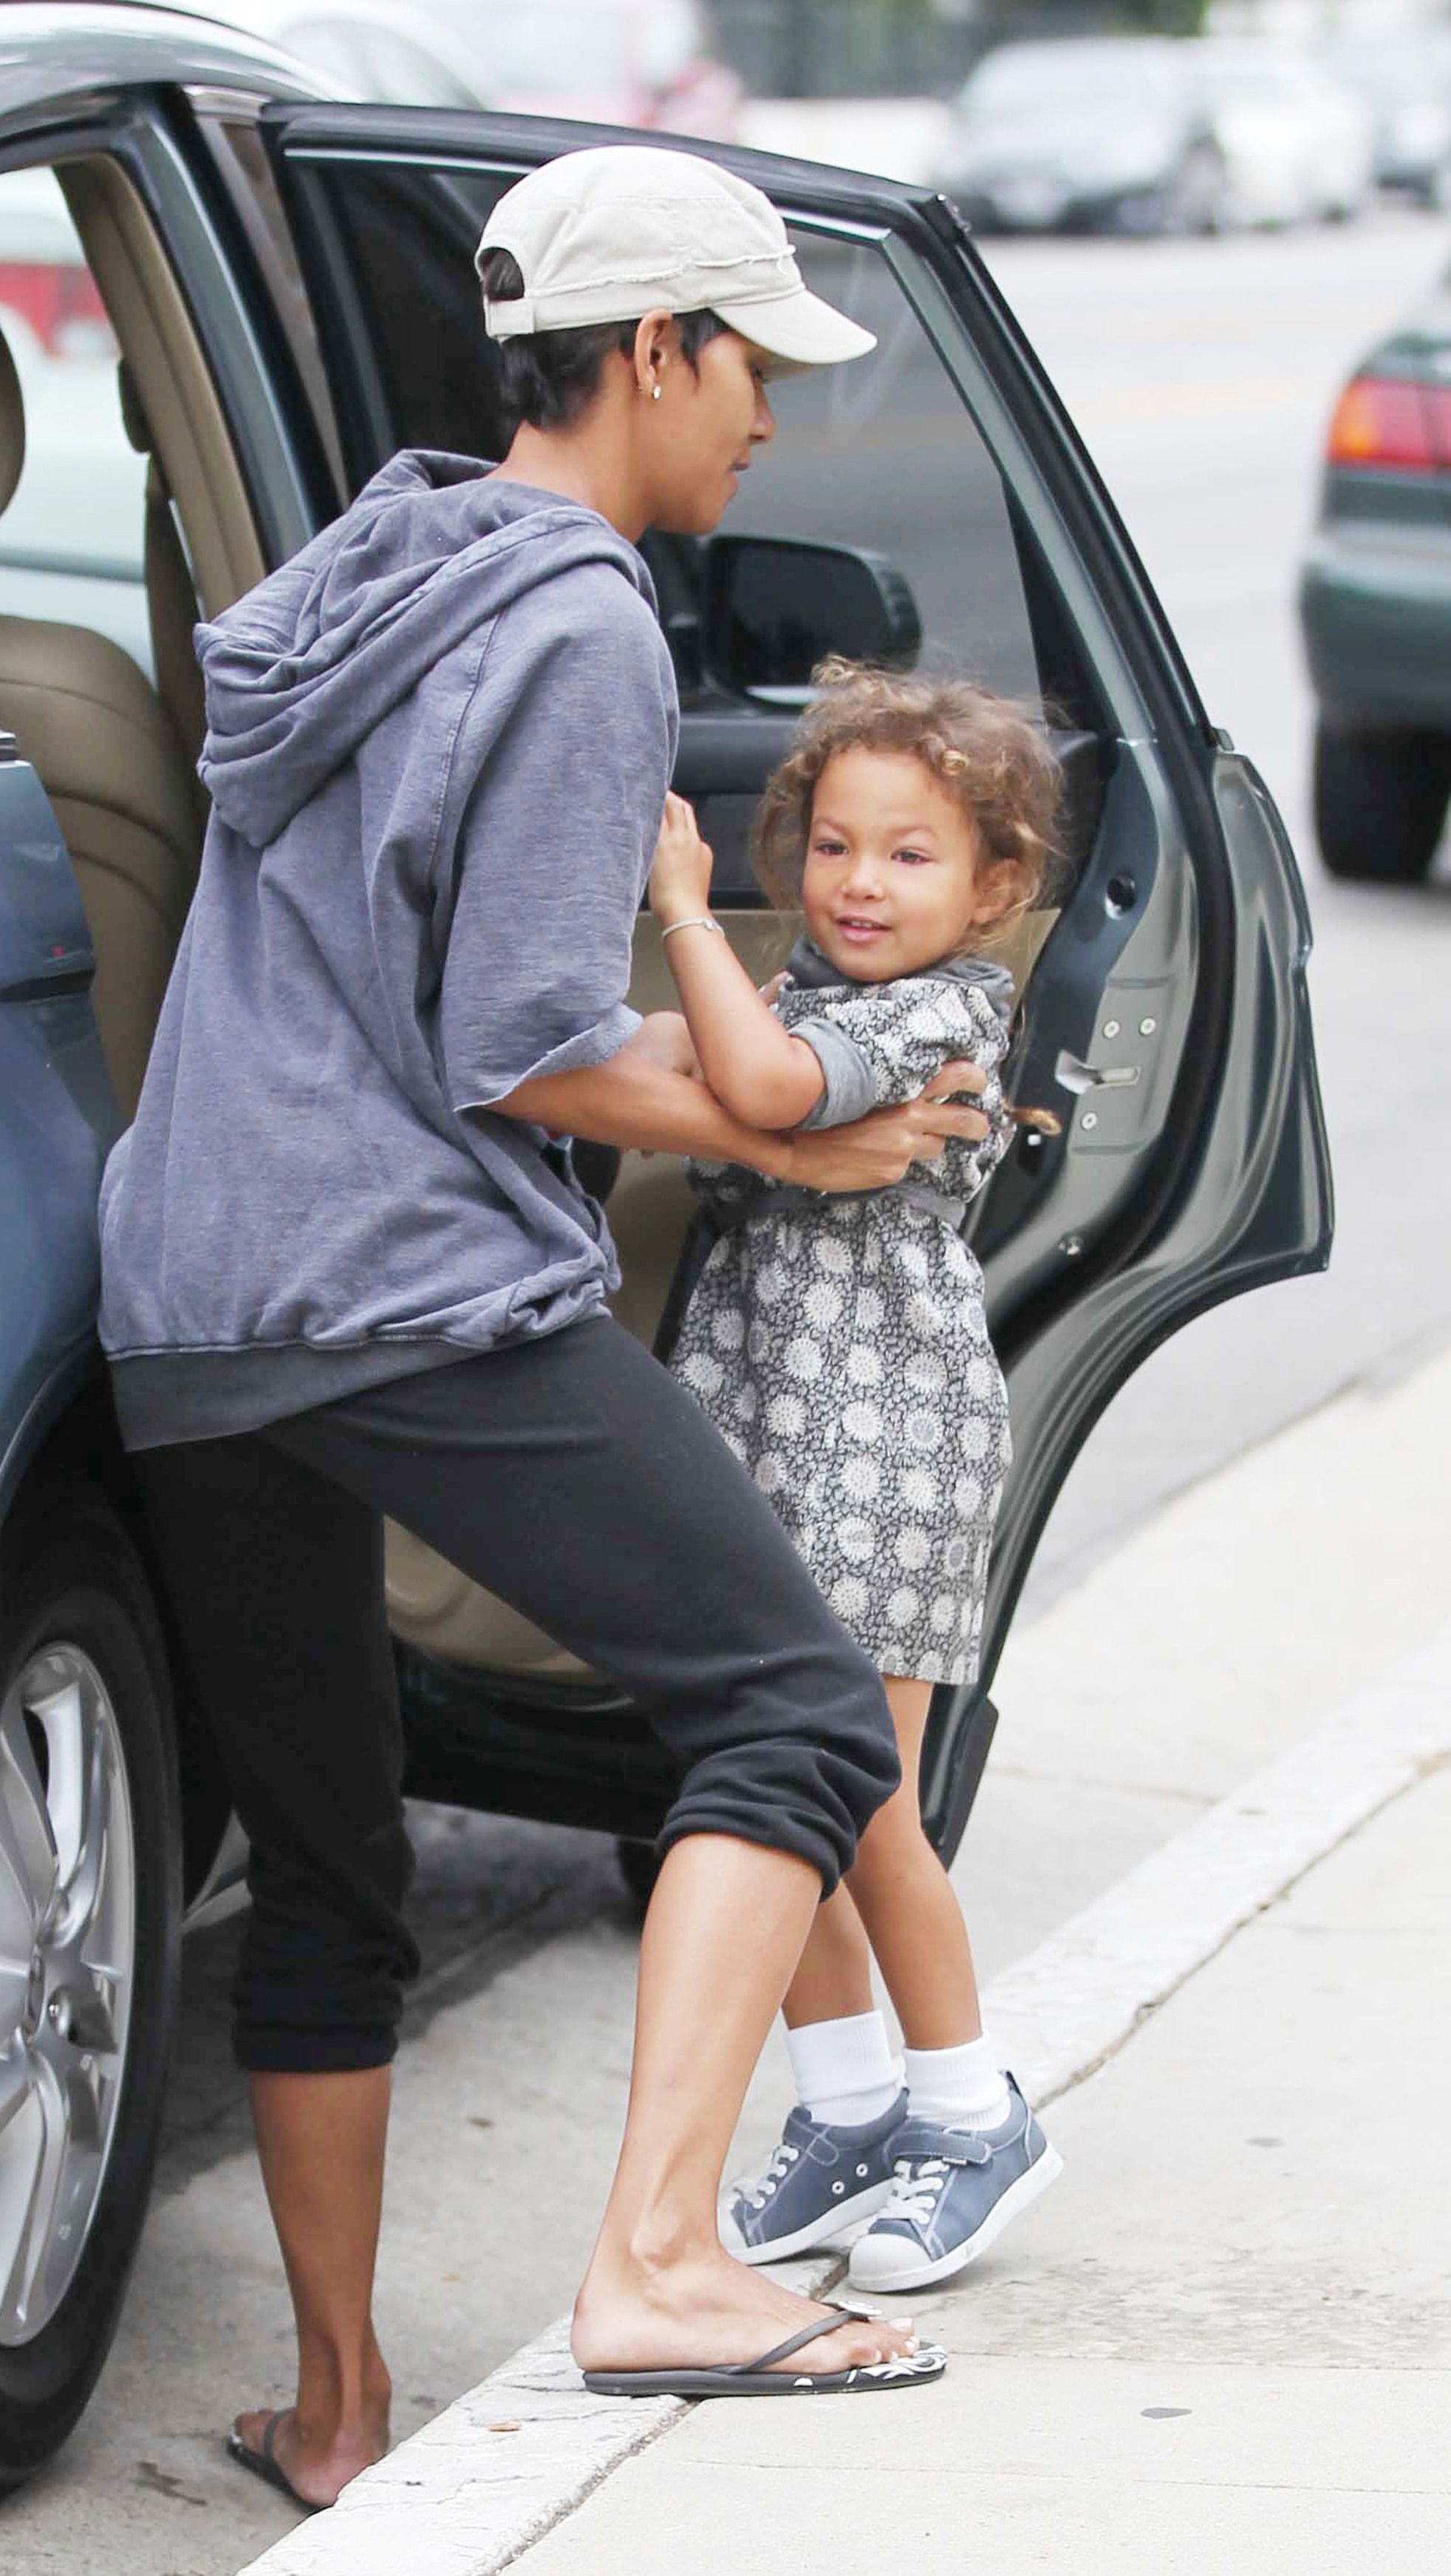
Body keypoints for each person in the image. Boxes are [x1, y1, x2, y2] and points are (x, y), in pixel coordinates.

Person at [97, 147, 993, 2510]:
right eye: (750, 365)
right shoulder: (584, 620)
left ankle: (333, 2406)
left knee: (326, 1858)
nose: (769, 420)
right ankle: (663, 2262)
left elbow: (398, 980)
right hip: (394, 1275)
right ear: (654, 350)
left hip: (194, 1284)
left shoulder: (374, 566)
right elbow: (515, 1043)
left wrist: (739, 1097)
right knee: (797, 1710)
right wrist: (802, 1141)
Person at [652, 662, 1066, 2296]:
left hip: (889, 1441)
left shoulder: (941, 1011)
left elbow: (758, 1092)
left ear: (995, 888)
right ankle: (848, 2111)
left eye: (907, 853)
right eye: (831, 845)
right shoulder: (810, 987)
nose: (858, 883)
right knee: (765, 1780)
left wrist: (684, 910)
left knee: (863, 1799)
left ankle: (970, 2113)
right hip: (763, 1426)